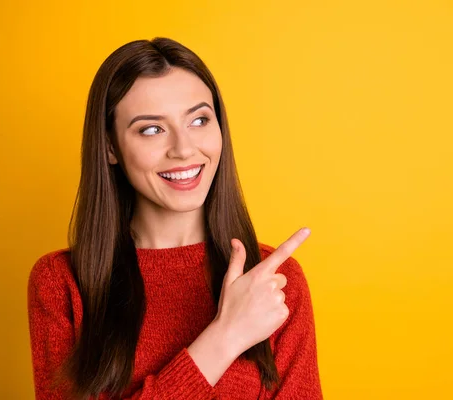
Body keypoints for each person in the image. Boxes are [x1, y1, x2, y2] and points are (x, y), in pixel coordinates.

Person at [26, 37, 323, 400]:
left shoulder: (274, 284)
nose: (183, 149)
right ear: (109, 147)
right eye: (152, 129)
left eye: (199, 120)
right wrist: (224, 337)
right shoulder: (61, 283)